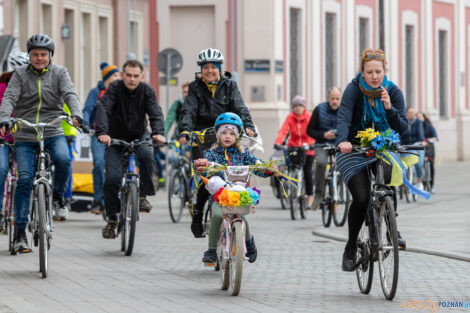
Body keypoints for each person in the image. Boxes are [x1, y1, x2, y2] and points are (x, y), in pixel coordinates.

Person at [0, 34, 83, 253]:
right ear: (29, 56)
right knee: (25, 180)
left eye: (43, 54)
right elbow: (8, 98)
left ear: (50, 56)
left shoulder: (60, 73)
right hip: (25, 135)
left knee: (64, 158)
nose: (39, 58)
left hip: (53, 130)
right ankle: (19, 233)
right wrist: (4, 119)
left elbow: (70, 94)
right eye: (35, 54)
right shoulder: (19, 75)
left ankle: (58, 198)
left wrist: (76, 114)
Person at [336, 49, 408, 271]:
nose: (374, 76)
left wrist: (389, 108)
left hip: (383, 147)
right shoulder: (353, 90)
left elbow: (403, 127)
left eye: (378, 71)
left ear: (384, 71)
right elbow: (344, 117)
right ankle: (350, 246)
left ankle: (391, 229)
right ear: (363, 73)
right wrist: (342, 140)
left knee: (389, 176)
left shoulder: (393, 92)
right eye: (370, 72)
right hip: (354, 149)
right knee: (362, 197)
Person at [178, 48, 256, 238]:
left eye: (214, 67)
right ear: (201, 69)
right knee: (204, 178)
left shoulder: (230, 86)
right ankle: (198, 214)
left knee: (231, 175)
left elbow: (239, 107)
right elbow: (188, 110)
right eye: (206, 67)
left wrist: (248, 125)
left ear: (219, 69)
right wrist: (186, 130)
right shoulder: (195, 87)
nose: (210, 70)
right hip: (202, 136)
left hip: (226, 133)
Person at [95, 59, 166, 238]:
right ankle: (112, 219)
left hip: (139, 135)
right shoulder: (114, 88)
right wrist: (103, 132)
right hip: (115, 138)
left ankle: (142, 196)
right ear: (123, 75)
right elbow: (103, 108)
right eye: (128, 75)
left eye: (136, 76)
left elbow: (155, 112)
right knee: (111, 179)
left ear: (141, 77)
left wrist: (157, 133)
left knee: (148, 155)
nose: (132, 79)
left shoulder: (147, 90)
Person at [196, 113, 271, 264]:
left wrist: (267, 168)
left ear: (237, 136)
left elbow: (256, 164)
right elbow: (202, 168)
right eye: (224, 132)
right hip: (220, 195)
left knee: (242, 214)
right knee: (217, 214)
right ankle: (211, 250)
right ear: (218, 135)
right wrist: (202, 164)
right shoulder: (211, 153)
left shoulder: (243, 153)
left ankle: (249, 243)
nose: (227, 136)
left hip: (239, 193)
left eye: (232, 133)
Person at [83, 62, 121, 214]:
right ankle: (98, 200)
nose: (119, 78)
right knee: (98, 163)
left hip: (117, 135)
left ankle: (121, 195)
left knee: (119, 167)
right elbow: (87, 110)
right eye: (115, 75)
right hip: (97, 134)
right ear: (107, 78)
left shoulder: (121, 92)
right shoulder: (95, 92)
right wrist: (85, 124)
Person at [0, 51, 30, 224]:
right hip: (3, 139)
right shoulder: (2, 86)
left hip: (23, 138)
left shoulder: (31, 84)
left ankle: (21, 214)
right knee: (2, 169)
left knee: (26, 176)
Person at [274, 95, 315, 209]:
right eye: (295, 106)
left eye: (300, 105)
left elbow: (312, 131)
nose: (297, 108)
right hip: (293, 147)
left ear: (304, 107)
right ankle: (288, 188)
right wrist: (278, 142)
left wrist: (312, 144)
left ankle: (310, 197)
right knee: (288, 167)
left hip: (307, 148)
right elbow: (283, 131)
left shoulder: (309, 117)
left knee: (307, 172)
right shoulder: (290, 117)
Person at [307, 87, 341, 210]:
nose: (335, 101)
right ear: (328, 98)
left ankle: (342, 189)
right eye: (332, 98)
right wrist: (323, 135)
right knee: (321, 163)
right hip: (322, 144)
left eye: (337, 99)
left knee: (345, 164)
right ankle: (319, 194)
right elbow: (309, 130)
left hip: (339, 144)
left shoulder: (345, 110)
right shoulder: (319, 109)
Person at [400, 107, 426, 190]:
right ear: (406, 113)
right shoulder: (403, 122)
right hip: (406, 146)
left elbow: (420, 132)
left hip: (417, 145)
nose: (412, 114)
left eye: (413, 112)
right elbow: (400, 133)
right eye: (410, 112)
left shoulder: (418, 122)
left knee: (419, 164)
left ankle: (419, 181)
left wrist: (422, 141)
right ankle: (403, 181)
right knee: (402, 164)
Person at [416, 112, 438, 193]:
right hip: (419, 147)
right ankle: (420, 181)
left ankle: (431, 185)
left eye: (420, 116)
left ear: (424, 117)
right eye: (417, 117)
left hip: (428, 147)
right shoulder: (415, 126)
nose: (419, 118)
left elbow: (435, 136)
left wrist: (430, 140)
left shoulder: (428, 125)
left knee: (431, 165)